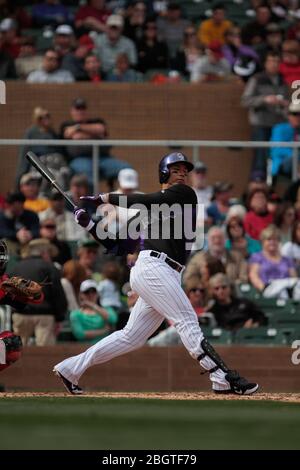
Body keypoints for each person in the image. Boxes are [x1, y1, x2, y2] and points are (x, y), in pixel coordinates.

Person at [53, 152, 259, 395]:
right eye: (176, 169)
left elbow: (148, 200)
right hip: (153, 268)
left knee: (131, 337)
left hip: (165, 273)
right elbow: (120, 246)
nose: (183, 174)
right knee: (187, 321)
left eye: (185, 170)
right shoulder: (149, 213)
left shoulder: (184, 194)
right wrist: (89, 224)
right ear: (163, 172)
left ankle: (70, 368)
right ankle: (222, 377)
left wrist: (105, 198)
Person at [70, 279, 118, 344]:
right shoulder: (75, 314)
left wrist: (93, 306)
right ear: (81, 294)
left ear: (97, 293)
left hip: (104, 348)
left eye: (93, 291)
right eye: (86, 292)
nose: (90, 294)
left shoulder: (107, 309)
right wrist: (104, 331)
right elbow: (80, 335)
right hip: (84, 349)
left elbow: (113, 319)